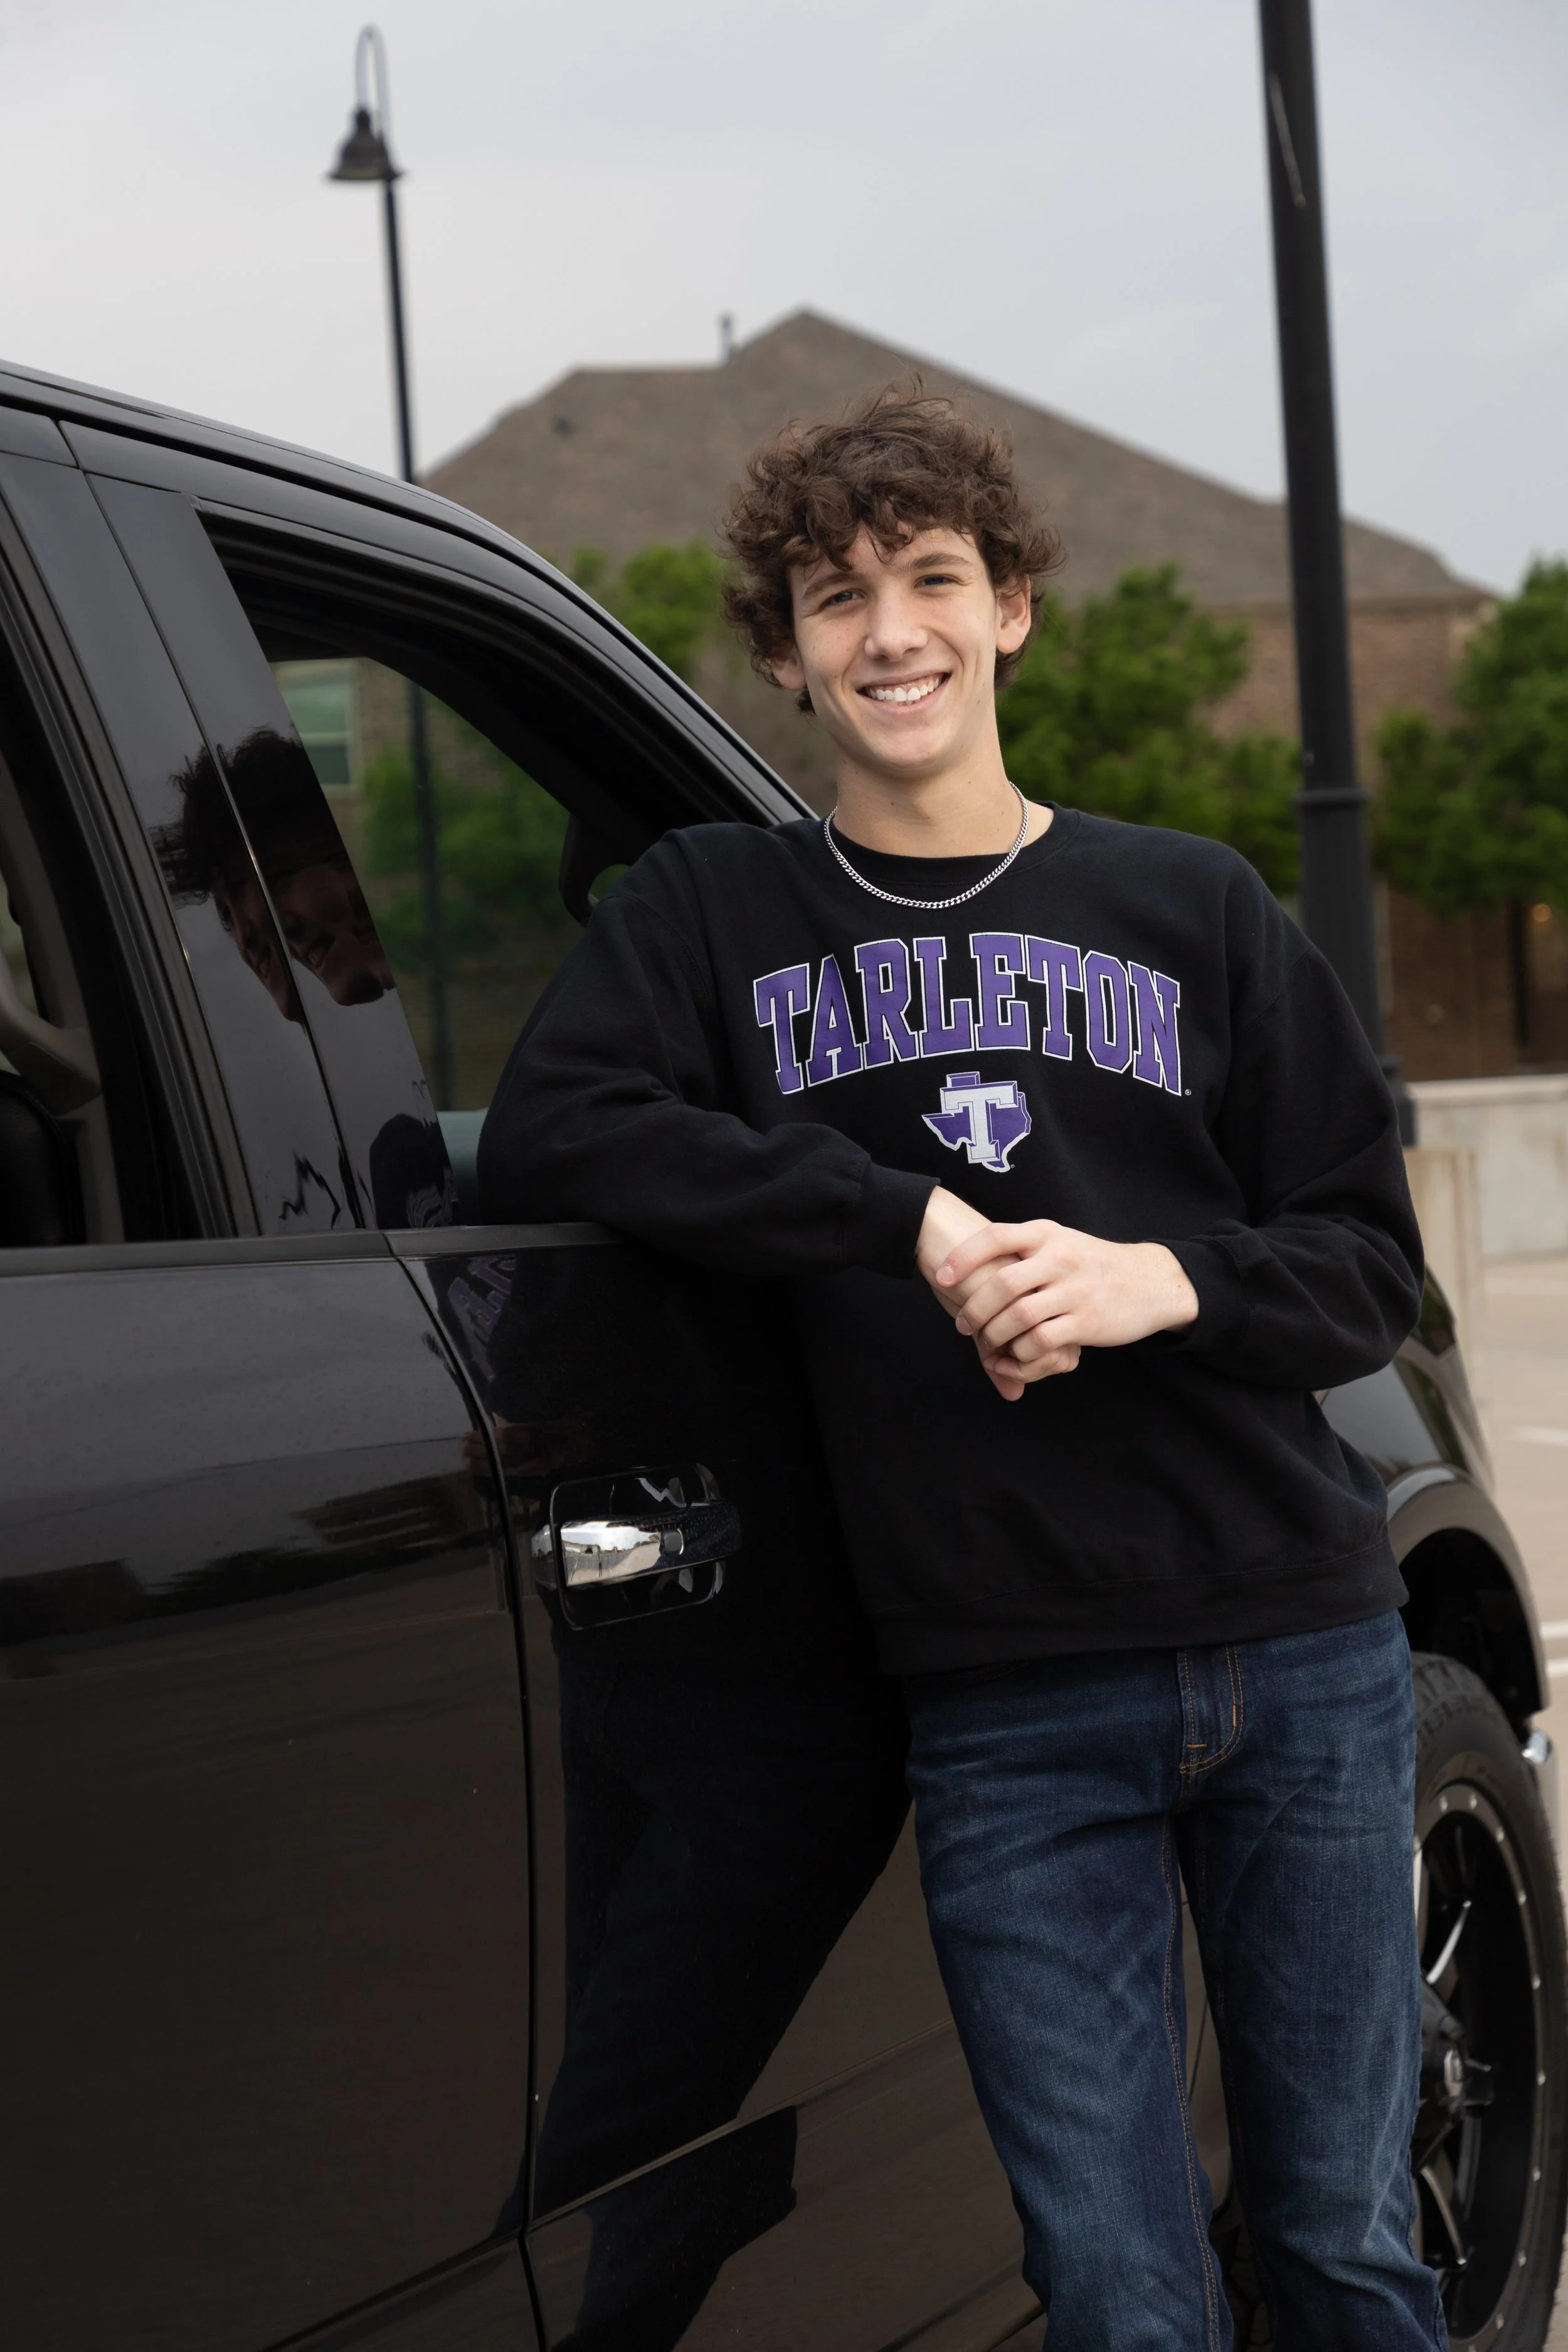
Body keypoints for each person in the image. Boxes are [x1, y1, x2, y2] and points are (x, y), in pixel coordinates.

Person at [478, 387, 1439, 2350]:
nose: (888, 630)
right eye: (836, 599)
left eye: (930, 579)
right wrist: (892, 1215)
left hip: (1299, 1652)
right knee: (1110, 2282)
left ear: (1011, 607)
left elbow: (1360, 1265)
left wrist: (1147, 1281)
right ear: (780, 651)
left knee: (1340, 2239)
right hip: (1003, 1701)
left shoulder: (1194, 909)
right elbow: (560, 1127)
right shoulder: (707, 913)